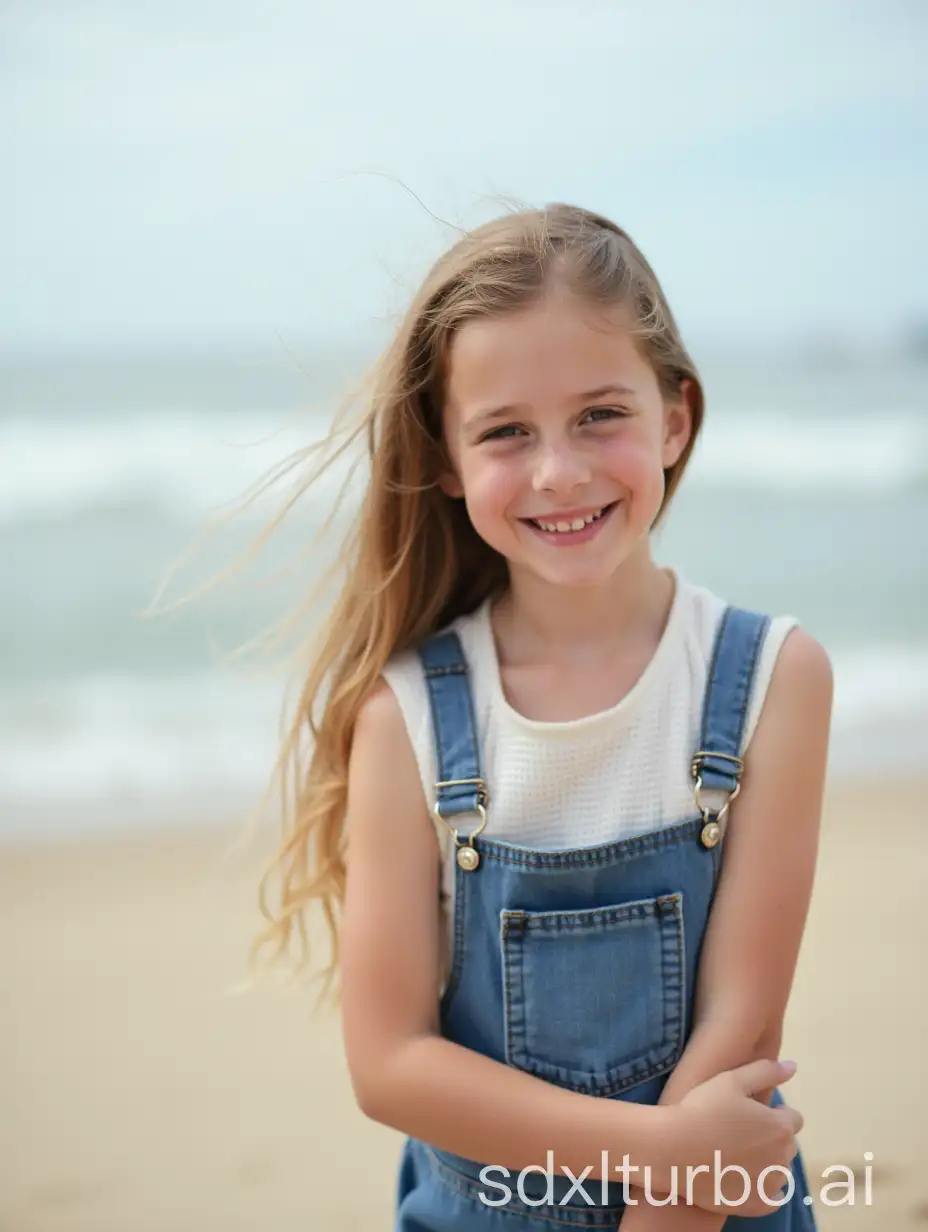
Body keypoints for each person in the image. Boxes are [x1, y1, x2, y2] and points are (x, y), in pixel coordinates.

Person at [254, 204, 832, 1228]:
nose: (558, 470)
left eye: (600, 413)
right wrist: (663, 1146)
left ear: (676, 417)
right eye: (506, 432)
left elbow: (740, 1029)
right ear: (444, 457)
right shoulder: (408, 718)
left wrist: (667, 1203)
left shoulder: (770, 677)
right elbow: (388, 1063)